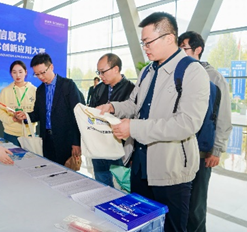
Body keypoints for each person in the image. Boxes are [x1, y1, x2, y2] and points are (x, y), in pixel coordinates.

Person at [97, 12, 210, 232]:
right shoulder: (147, 71)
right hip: (140, 167)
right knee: (141, 226)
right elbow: (134, 104)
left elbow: (187, 123)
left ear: (169, 38)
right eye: (143, 43)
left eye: (148, 42)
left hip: (171, 171)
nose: (145, 48)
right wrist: (113, 107)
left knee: (171, 228)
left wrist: (134, 127)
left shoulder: (192, 71)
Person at [178, 32, 232, 232]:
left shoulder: (214, 78)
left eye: (184, 48)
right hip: (177, 150)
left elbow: (223, 116)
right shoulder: (178, 73)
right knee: (179, 204)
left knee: (196, 207)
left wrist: (216, 150)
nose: (180, 53)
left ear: (197, 50)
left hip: (201, 151)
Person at [14, 53, 84, 166]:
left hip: (65, 140)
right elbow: (37, 114)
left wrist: (76, 142)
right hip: (47, 140)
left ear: (51, 67)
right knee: (49, 170)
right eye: (37, 74)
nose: (41, 77)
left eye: (43, 72)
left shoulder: (68, 86)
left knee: (66, 172)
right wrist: (25, 116)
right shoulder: (40, 90)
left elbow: (77, 115)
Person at [88, 53, 135, 188]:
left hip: (119, 148)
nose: (100, 76)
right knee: (101, 184)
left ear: (116, 69)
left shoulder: (131, 89)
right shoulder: (99, 88)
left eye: (103, 72)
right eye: (98, 72)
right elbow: (92, 110)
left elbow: (132, 118)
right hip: (99, 146)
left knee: (120, 186)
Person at [0, 60, 37, 147]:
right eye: (14, 72)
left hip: (29, 133)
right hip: (11, 134)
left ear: (26, 72)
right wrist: (12, 119)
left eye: (20, 72)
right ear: (11, 74)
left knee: (31, 156)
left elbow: (38, 111)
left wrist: (26, 116)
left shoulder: (34, 90)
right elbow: (0, 111)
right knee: (12, 156)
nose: (18, 75)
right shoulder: (5, 91)